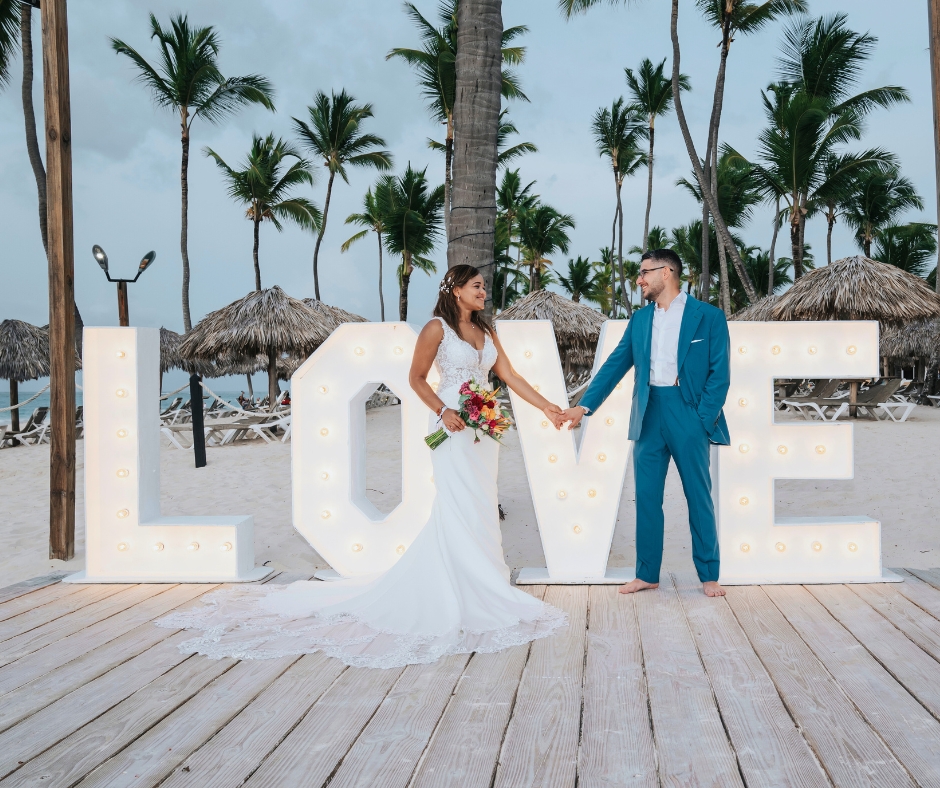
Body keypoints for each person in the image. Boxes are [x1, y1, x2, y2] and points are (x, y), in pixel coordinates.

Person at [156, 264, 569, 668]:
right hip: (451, 423)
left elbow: (509, 375)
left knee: (480, 503)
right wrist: (443, 410)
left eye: (483, 287)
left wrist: (548, 407)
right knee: (456, 502)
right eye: (476, 286)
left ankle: (485, 582)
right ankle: (462, 587)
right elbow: (417, 378)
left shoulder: (487, 330)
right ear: (455, 289)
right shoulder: (435, 330)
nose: (483, 292)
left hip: (482, 429)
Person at [560, 249, 730, 598]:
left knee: (698, 496)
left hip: (689, 414)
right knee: (647, 497)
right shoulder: (639, 320)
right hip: (648, 413)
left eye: (644, 273)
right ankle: (647, 574)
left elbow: (720, 374)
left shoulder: (709, 317)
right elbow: (614, 365)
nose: (639, 280)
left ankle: (709, 575)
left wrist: (701, 419)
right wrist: (584, 406)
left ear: (667, 273)